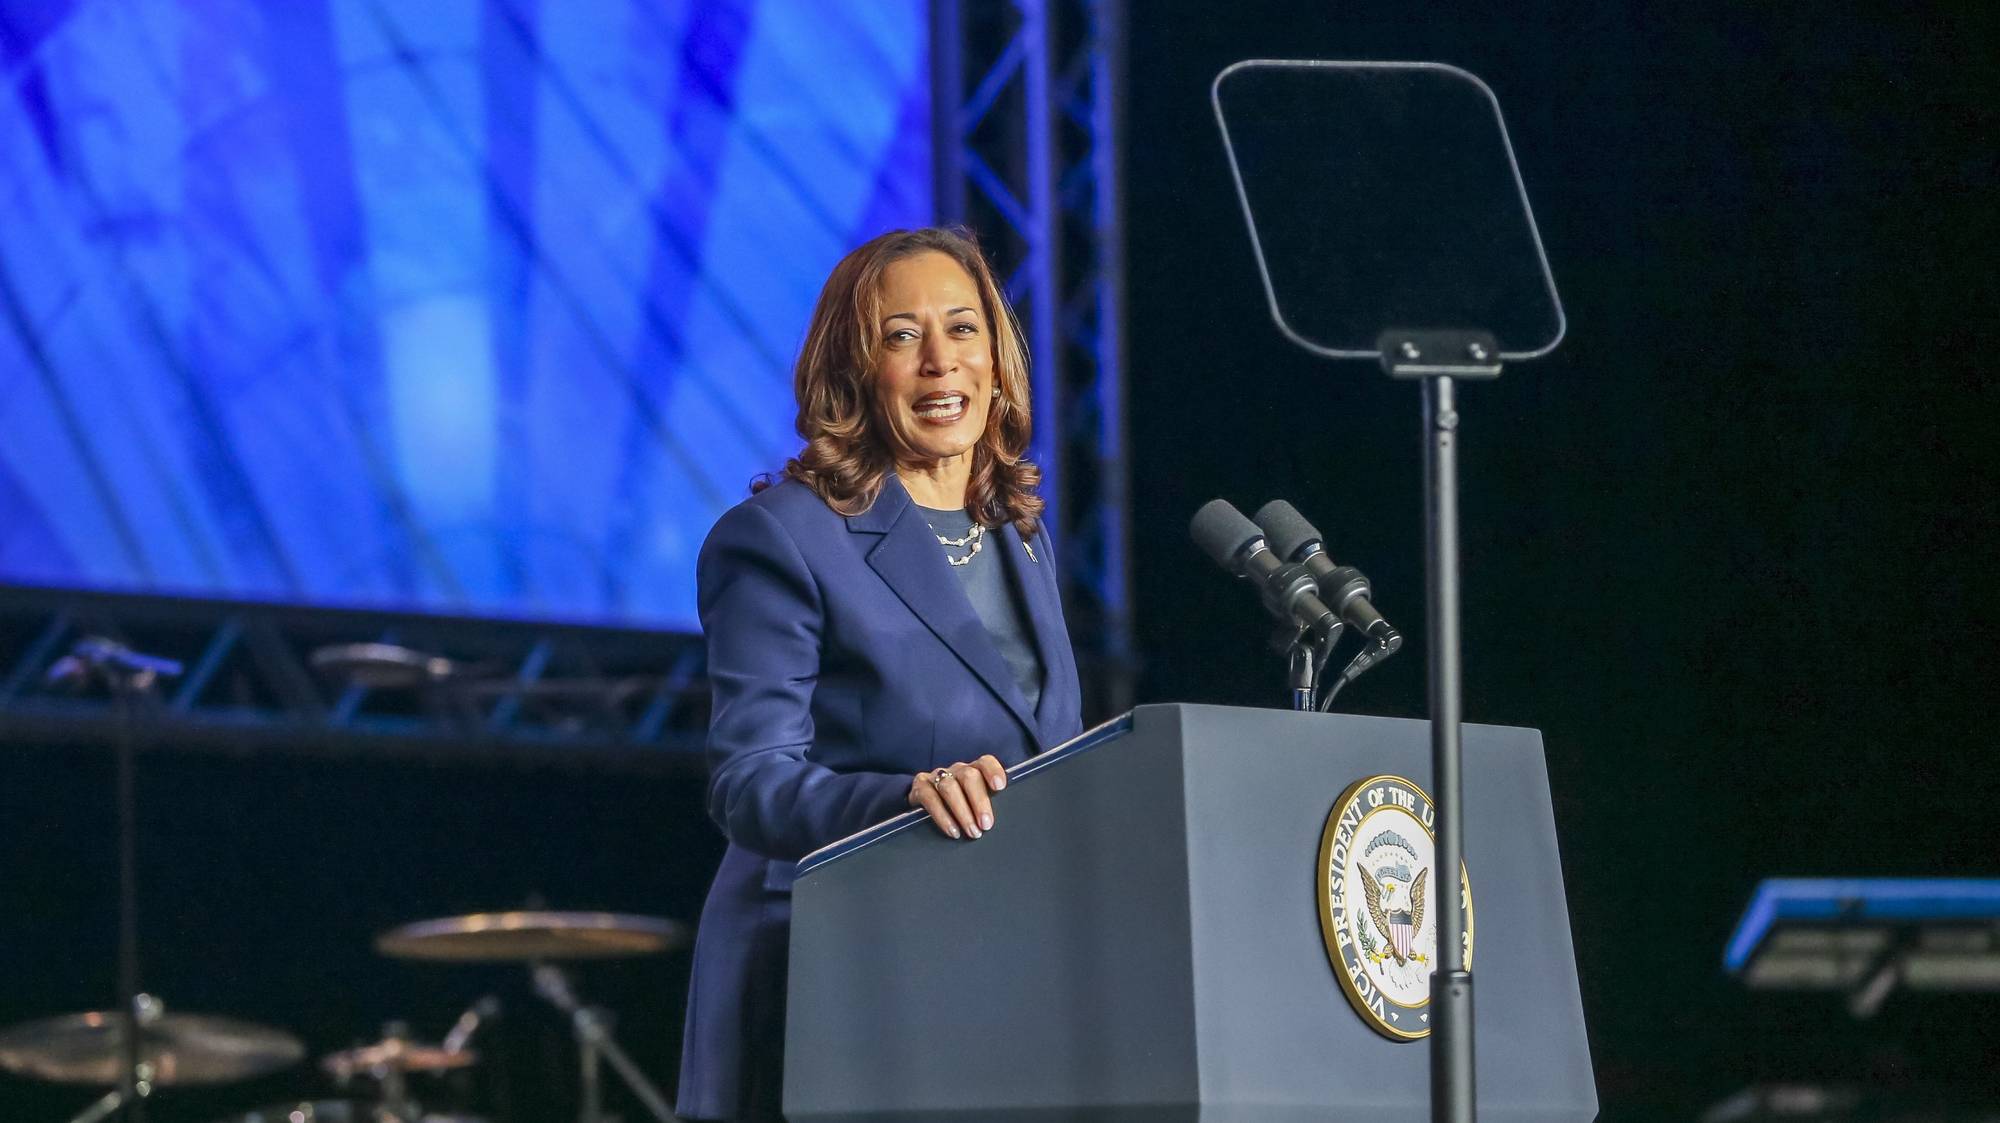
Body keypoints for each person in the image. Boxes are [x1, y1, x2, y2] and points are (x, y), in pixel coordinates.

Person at [675, 227, 1084, 1122]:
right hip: (828, 963)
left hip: (990, 966)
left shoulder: (1016, 531)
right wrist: (905, 797)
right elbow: (750, 782)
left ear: (999, 358)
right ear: (853, 370)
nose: (942, 363)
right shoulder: (783, 536)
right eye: (902, 336)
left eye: (964, 329)